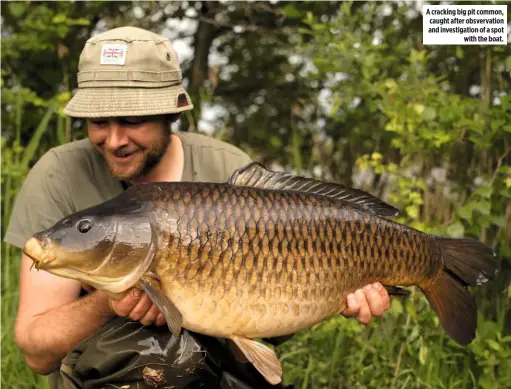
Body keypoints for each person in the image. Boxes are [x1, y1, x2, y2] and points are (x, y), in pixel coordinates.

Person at [5, 26, 391, 389]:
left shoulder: (227, 171)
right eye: (99, 122)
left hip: (222, 368)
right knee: (156, 353)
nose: (114, 139)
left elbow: (271, 319)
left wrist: (338, 289)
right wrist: (109, 302)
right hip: (113, 374)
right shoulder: (58, 176)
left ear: (173, 112)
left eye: (133, 120)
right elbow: (37, 352)